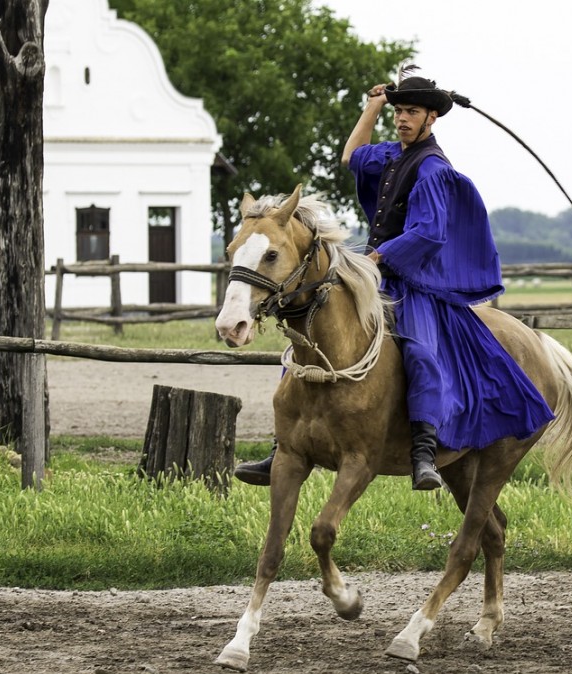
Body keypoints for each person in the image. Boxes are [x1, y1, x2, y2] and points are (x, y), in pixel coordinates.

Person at [235, 68, 555, 490]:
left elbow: (429, 233)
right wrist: (373, 105)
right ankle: (284, 446)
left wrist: (376, 257)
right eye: (399, 110)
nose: (402, 118)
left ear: (431, 118)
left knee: (419, 352)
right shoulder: (391, 154)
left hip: (417, 282)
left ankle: (424, 450)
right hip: (375, 273)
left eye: (412, 111)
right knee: (308, 338)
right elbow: (352, 156)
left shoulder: (434, 169)